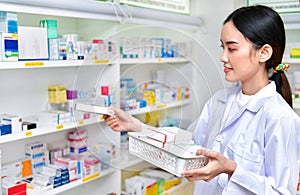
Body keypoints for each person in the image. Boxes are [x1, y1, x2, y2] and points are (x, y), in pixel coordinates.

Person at [104, 5, 300, 195]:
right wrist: (136, 126)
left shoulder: (280, 117)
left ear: (264, 53)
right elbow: (188, 146)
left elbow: (282, 191)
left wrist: (231, 169)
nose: (223, 57)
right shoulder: (220, 101)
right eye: (222, 47)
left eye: (231, 49)